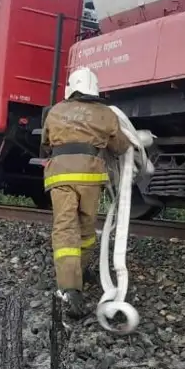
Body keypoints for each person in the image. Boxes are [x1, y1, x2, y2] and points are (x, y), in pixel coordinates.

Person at [41, 67, 132, 319]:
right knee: (86, 227)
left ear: (70, 88)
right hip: (91, 176)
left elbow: (46, 145)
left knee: (65, 227)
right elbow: (120, 146)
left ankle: (70, 288)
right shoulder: (105, 113)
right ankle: (81, 270)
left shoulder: (55, 111)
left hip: (60, 175)